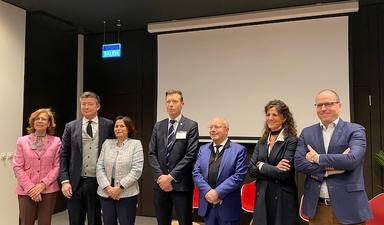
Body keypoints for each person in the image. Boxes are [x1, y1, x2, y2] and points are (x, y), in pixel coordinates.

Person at [294, 89, 372, 225]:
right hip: (318, 208)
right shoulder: (307, 133)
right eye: (319, 105)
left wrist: (317, 158)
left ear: (339, 105)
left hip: (349, 207)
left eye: (328, 104)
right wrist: (326, 171)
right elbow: (299, 163)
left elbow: (352, 160)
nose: (323, 108)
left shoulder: (355, 130)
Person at [60, 91, 114, 225]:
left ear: (98, 106)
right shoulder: (70, 126)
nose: (86, 107)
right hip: (74, 183)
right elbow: (63, 154)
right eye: (83, 104)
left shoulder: (108, 125)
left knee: (95, 220)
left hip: (98, 182)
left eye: (90, 104)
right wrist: (65, 181)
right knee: (75, 220)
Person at [148, 89, 199, 225]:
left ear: (182, 104)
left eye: (175, 101)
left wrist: (170, 178)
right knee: (162, 221)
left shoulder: (191, 125)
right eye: (168, 102)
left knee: (184, 221)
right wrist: (161, 177)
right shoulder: (158, 126)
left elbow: (190, 155)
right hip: (160, 185)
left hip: (181, 185)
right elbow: (152, 153)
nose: (171, 104)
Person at [248, 100, 299, 225]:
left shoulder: (291, 140)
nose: (270, 118)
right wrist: (272, 168)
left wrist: (260, 165)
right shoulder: (261, 142)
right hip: (262, 195)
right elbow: (251, 170)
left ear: (284, 118)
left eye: (274, 115)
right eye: (268, 115)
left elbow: (283, 174)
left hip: (282, 197)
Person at [192, 117, 247, 225]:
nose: (212, 129)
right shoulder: (203, 149)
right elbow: (196, 173)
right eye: (211, 127)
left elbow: (239, 176)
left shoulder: (239, 150)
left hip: (227, 205)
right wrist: (208, 192)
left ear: (226, 130)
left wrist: (217, 193)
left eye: (217, 127)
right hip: (208, 204)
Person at [13, 108, 61, 225]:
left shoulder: (56, 141)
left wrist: (43, 184)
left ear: (49, 123)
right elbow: (17, 166)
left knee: (45, 222)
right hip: (26, 190)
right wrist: (30, 188)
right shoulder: (22, 141)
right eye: (37, 119)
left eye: (43, 119)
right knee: (26, 222)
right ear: (33, 122)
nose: (40, 121)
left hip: (48, 189)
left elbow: (57, 166)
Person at [96, 116, 144, 225]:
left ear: (128, 129)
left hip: (126, 193)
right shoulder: (107, 143)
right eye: (116, 126)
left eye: (122, 126)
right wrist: (108, 187)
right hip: (106, 193)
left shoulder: (135, 144)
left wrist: (120, 187)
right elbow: (99, 166)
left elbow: (136, 170)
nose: (118, 128)